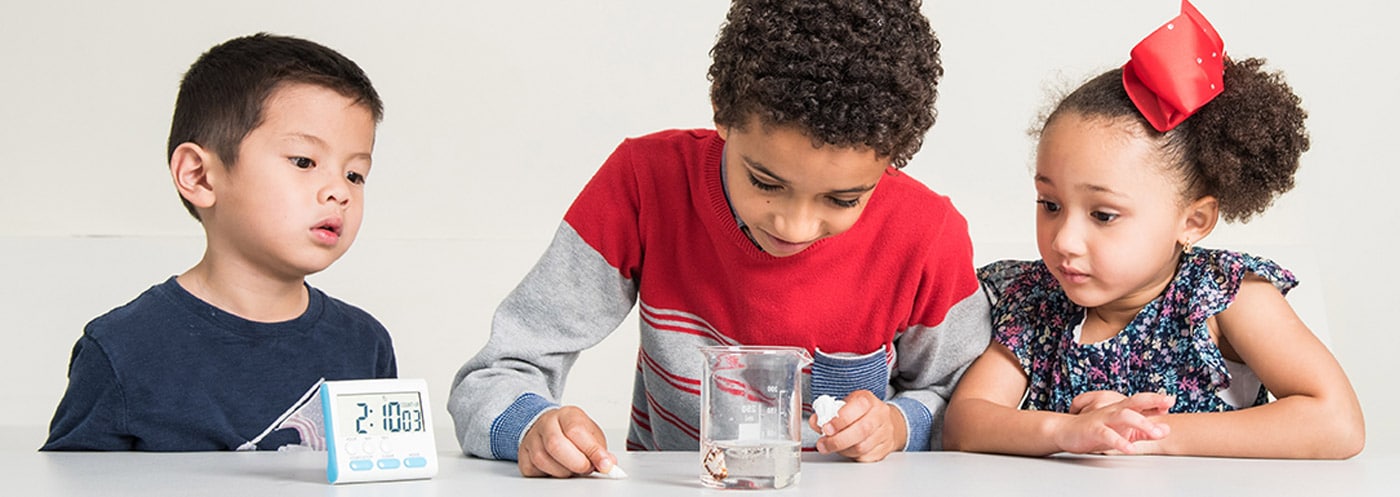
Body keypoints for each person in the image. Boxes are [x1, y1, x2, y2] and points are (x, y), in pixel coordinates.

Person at [450, 0, 991, 478]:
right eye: (764, 182)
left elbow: (967, 403)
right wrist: (533, 426)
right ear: (723, 114)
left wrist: (896, 424)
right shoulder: (645, 183)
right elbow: (495, 375)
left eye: (842, 200)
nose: (793, 226)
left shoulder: (927, 235)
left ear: (889, 160)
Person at [943, 1, 1364, 458]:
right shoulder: (1036, 303)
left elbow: (1337, 422)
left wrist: (1144, 436)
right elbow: (965, 423)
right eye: (1050, 204)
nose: (1063, 240)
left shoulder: (1224, 298)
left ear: (1193, 221)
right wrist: (1067, 432)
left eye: (1103, 215)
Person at [41, 33, 396, 451]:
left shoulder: (365, 343)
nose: (340, 191)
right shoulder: (122, 348)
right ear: (199, 175)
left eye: (355, 174)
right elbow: (70, 485)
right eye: (304, 161)